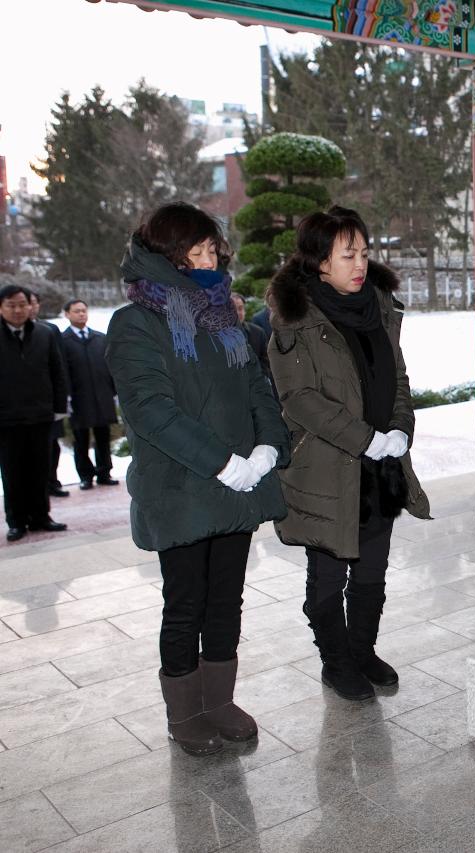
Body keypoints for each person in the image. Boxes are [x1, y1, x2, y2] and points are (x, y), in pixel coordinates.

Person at [108, 202, 290, 756]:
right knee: (185, 602)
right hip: (183, 489)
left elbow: (257, 387)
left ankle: (220, 701)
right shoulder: (136, 322)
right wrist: (223, 463)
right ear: (168, 256)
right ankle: (186, 712)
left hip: (237, 485)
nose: (211, 260)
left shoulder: (221, 317)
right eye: (198, 251)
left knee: (226, 599)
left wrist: (267, 448)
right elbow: (150, 410)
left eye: (214, 250)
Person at [268, 206, 431, 702]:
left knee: (371, 574)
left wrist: (401, 426)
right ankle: (336, 662)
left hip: (380, 469)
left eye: (364, 252)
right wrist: (364, 438)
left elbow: (398, 379)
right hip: (327, 469)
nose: (360, 264)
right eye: (347, 255)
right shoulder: (296, 317)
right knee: (327, 579)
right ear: (320, 261)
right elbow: (300, 400)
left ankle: (362, 650)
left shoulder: (378, 307)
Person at [0, 285, 68, 541]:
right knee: (12, 471)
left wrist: (60, 408)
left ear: (31, 306)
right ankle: (16, 521)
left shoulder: (45, 333)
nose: (17, 310)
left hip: (41, 415)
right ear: (1, 307)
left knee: (41, 469)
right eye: (11, 305)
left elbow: (57, 372)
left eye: (22, 304)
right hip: (6, 419)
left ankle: (41, 516)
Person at [62, 299, 119, 489]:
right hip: (79, 398)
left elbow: (110, 366)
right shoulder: (62, 342)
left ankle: (104, 472)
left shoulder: (100, 338)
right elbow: (61, 371)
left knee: (103, 436)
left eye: (84, 311)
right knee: (81, 439)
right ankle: (86, 475)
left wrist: (114, 391)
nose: (81, 314)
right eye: (76, 311)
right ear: (67, 314)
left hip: (101, 394)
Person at [28, 292, 71, 499]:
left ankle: (51, 482)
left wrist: (62, 401)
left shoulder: (49, 330)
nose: (29, 308)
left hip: (47, 402)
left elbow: (59, 366)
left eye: (33, 303)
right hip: (16, 408)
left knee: (51, 446)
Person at [230, 292, 270, 380]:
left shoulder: (258, 333)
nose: (237, 313)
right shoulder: (216, 336)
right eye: (233, 309)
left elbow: (265, 363)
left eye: (240, 308)